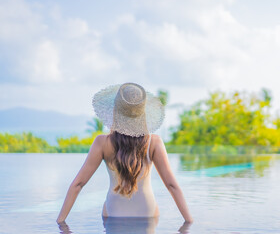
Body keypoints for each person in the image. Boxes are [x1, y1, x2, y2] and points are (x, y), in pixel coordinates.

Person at [56, 82, 193, 226]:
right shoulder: (154, 142)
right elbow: (171, 185)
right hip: (147, 212)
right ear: (143, 114)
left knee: (105, 208)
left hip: (114, 212)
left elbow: (78, 184)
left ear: (115, 111)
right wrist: (189, 222)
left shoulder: (102, 142)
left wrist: (60, 223)